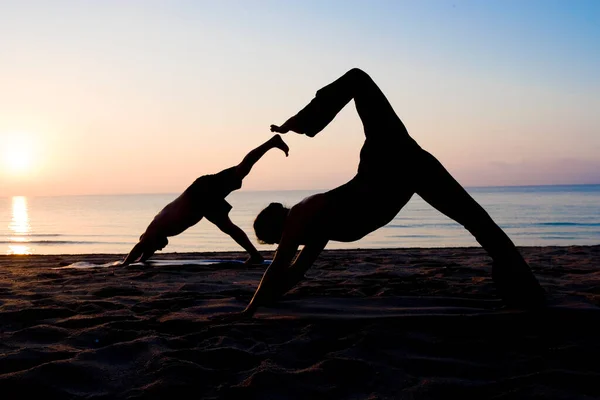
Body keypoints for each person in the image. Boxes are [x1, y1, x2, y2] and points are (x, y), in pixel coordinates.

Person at [235, 68, 546, 318]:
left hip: (382, 165)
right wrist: (268, 299)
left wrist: (250, 309)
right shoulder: (317, 231)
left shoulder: (302, 214)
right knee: (478, 221)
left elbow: (279, 266)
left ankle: (302, 122)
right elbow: (293, 273)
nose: (285, 246)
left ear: (279, 228)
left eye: (277, 242)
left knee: (357, 79)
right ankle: (526, 289)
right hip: (408, 170)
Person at [121, 134, 289, 266]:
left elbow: (142, 247)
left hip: (201, 194)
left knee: (241, 171)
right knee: (228, 225)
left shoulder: (154, 229)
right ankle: (255, 256)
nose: (160, 248)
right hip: (201, 200)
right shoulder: (160, 229)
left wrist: (125, 264)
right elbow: (146, 249)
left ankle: (271, 143)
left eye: (156, 247)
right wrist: (142, 260)